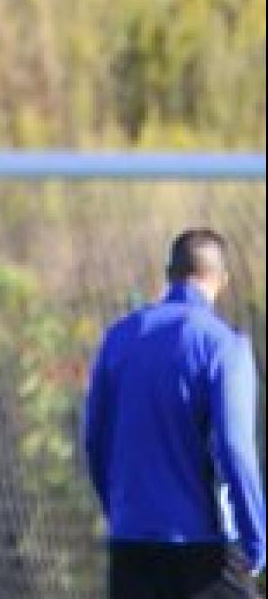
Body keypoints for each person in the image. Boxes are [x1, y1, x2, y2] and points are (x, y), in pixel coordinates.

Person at [83, 228, 265, 599]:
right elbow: (235, 449)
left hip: (131, 545)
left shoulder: (117, 338)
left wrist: (120, 510)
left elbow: (94, 440)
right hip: (204, 552)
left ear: (169, 274)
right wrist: (256, 540)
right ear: (222, 280)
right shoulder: (223, 346)